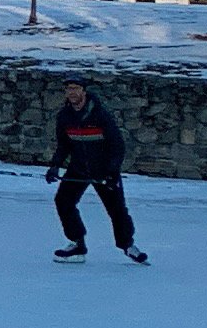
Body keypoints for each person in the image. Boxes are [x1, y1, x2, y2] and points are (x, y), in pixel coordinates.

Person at [48, 81, 145, 264]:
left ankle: (128, 246)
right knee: (63, 201)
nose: (72, 93)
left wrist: (112, 172)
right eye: (69, 89)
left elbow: (117, 146)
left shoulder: (100, 115)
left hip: (104, 170)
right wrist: (55, 165)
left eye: (76, 89)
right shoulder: (64, 116)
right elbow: (64, 145)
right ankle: (77, 244)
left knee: (116, 210)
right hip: (78, 168)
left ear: (84, 91)